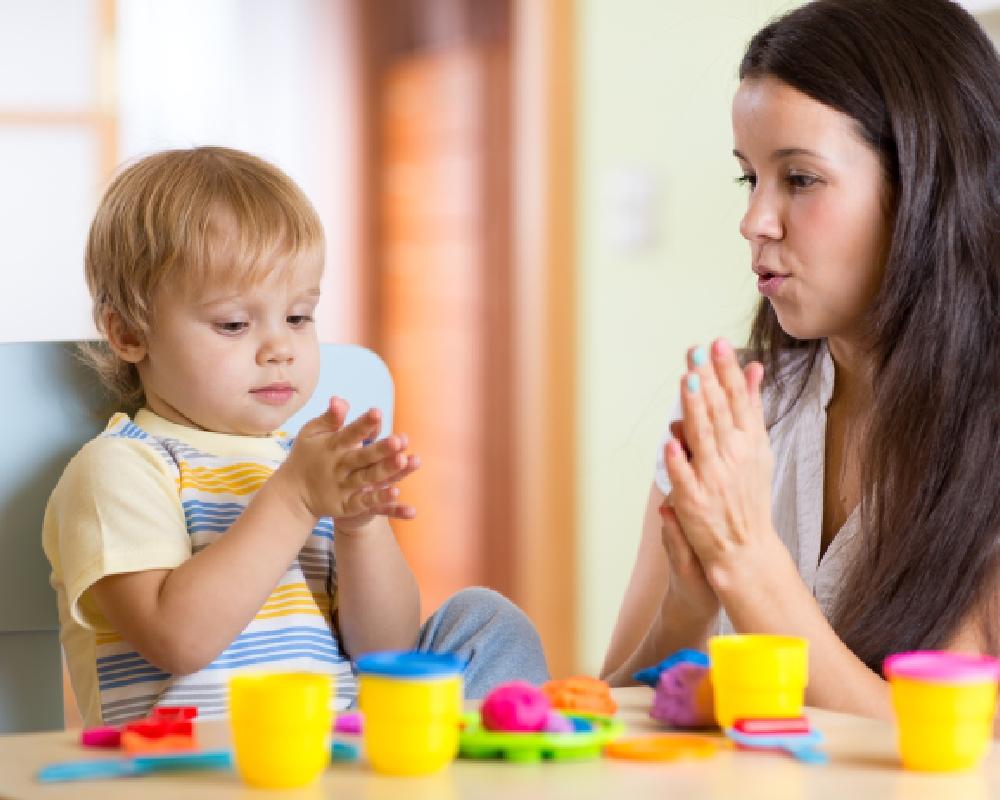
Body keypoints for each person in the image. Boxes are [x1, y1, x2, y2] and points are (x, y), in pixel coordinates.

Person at [44, 146, 548, 726]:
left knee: (486, 619)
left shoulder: (305, 464)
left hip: (338, 754)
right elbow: (176, 640)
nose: (280, 347)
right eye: (234, 324)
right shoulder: (123, 468)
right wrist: (293, 500)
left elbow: (386, 653)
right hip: (195, 771)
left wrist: (359, 528)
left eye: (299, 317)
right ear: (130, 333)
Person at [602, 0, 1000, 720]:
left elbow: (958, 754)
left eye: (801, 179)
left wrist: (747, 564)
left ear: (924, 185)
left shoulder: (986, 443)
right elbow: (616, 712)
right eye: (748, 178)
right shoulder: (730, 413)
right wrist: (688, 612)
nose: (754, 220)